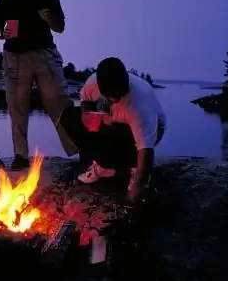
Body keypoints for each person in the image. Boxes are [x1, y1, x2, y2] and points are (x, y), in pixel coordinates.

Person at [0, 0, 78, 170]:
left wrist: (49, 19)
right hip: (15, 56)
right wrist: (2, 33)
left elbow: (60, 28)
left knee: (58, 100)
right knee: (17, 105)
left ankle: (79, 148)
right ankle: (20, 155)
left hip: (44, 53)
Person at [59, 57, 167, 203]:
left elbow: (146, 149)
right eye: (111, 99)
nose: (114, 102)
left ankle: (134, 170)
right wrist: (87, 115)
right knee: (69, 116)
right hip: (111, 123)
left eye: (118, 98)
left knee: (136, 152)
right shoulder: (93, 82)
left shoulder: (139, 106)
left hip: (142, 130)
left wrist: (138, 184)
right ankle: (103, 166)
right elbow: (85, 99)